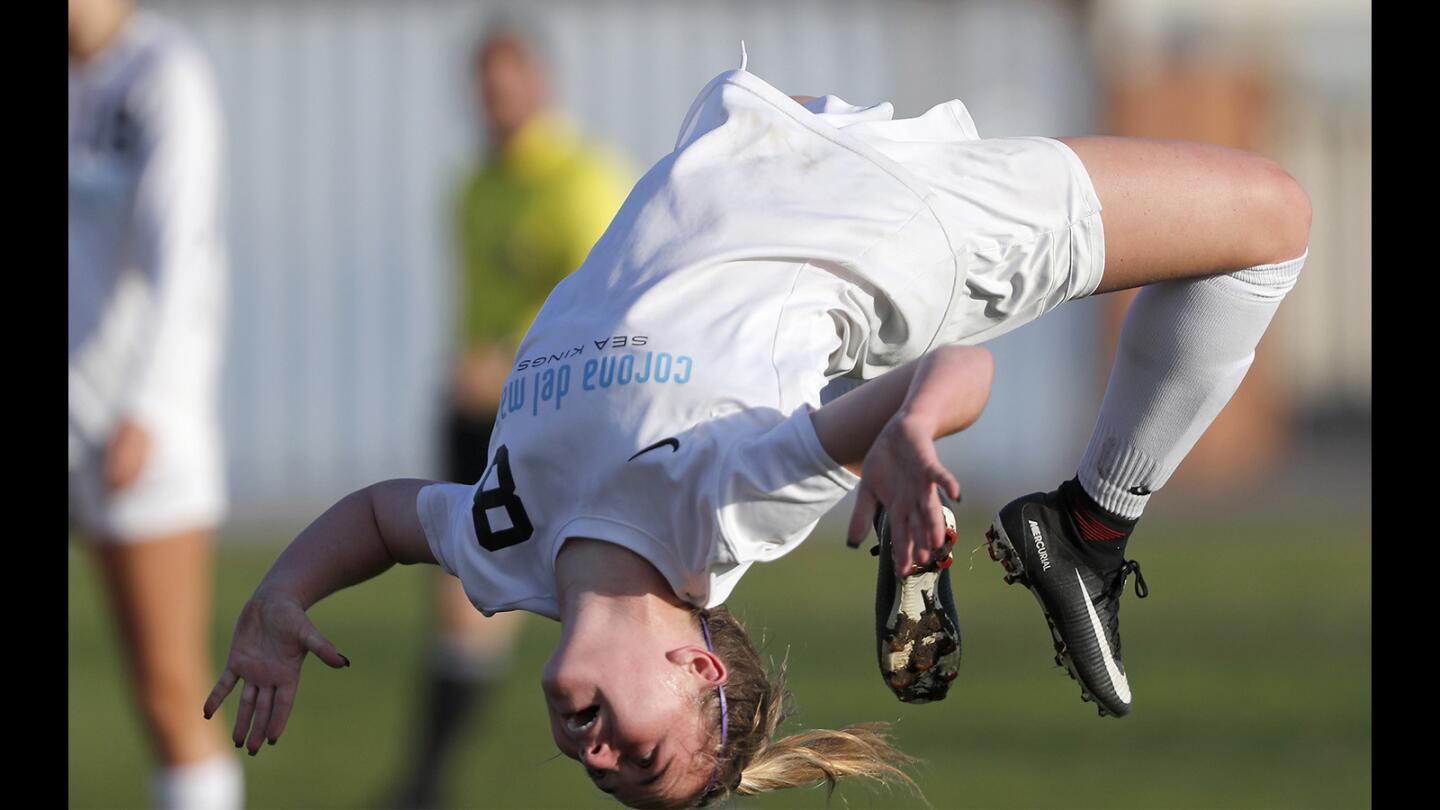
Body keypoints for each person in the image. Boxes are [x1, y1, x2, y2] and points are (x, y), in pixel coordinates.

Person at [204, 58, 1309, 809]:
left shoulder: (506, 551)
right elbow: (954, 367)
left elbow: (387, 516)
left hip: (773, 139)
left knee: (1260, 222)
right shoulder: (719, 513)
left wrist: (281, 596)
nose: (597, 753)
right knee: (1271, 224)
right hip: (906, 224)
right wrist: (908, 430)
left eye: (604, 776)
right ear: (694, 662)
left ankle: (1080, 534)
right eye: (640, 753)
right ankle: (1093, 525)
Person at [385, 16, 634, 809]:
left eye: (509, 83)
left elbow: (612, 314)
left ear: (542, 83)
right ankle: (424, 787)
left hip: (560, 424)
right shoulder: (471, 188)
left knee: (603, 605)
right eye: (484, 87)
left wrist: (509, 361)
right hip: (480, 424)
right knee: (467, 605)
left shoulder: (583, 181)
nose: (495, 100)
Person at [69, 0, 241, 808]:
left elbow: (185, 259)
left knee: (168, 689)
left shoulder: (161, 76)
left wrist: (147, 407)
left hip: (134, 430)